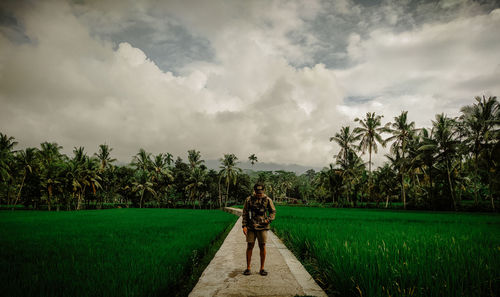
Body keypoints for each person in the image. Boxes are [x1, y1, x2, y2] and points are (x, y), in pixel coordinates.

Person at [242, 183, 276, 276]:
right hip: (251, 226)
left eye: (260, 193)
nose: (259, 194)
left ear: (263, 191)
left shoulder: (268, 200)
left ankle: (262, 268)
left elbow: (273, 211)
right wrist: (244, 226)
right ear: (254, 191)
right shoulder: (248, 199)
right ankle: (248, 268)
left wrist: (268, 220)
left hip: (263, 227)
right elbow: (245, 213)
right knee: (250, 246)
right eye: (257, 192)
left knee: (262, 246)